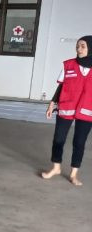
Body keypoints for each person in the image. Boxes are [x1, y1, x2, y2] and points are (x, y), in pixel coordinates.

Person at [41, 35, 92, 186]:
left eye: (83, 46)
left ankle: (73, 174)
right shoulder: (68, 65)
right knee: (58, 139)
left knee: (79, 142)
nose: (79, 49)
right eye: (77, 46)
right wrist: (52, 104)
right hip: (66, 107)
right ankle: (56, 167)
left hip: (87, 110)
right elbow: (61, 86)